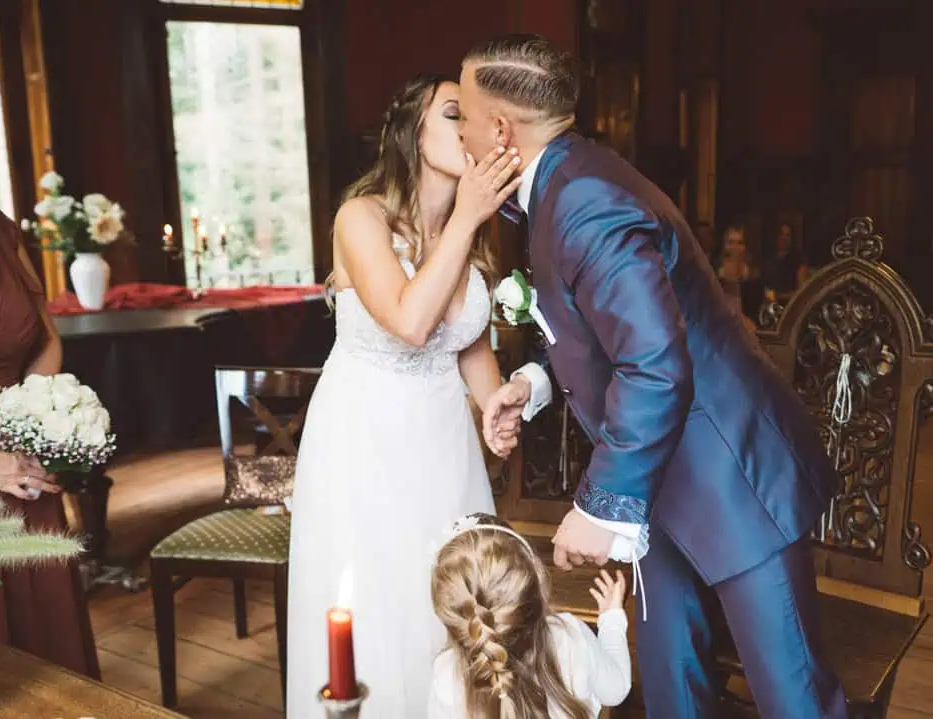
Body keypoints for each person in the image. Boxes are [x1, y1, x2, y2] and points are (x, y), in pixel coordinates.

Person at [462, 35, 848, 718]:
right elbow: (606, 330)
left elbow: (655, 364)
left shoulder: (582, 200)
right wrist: (535, 383)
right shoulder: (565, 182)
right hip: (661, 481)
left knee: (793, 700)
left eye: (462, 116)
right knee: (671, 682)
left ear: (499, 128)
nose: (461, 133)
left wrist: (599, 505)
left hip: (730, 475)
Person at [285, 75, 523, 718]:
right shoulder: (360, 218)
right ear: (413, 135)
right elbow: (411, 322)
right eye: (453, 113)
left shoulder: (473, 235)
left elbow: (466, 344)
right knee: (376, 605)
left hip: (445, 445)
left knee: (449, 601)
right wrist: (468, 216)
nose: (469, 127)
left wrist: (497, 407)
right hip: (363, 442)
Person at [0, 207, 100, 678]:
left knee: (46, 621)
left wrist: (32, 417)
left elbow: (47, 339)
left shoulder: (0, 231)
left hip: (20, 452)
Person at [428, 513, 631, 718]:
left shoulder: (446, 673)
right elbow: (616, 691)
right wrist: (612, 619)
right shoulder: (568, 636)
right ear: (537, 578)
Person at [762, 221, 808, 304]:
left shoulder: (798, 258)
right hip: (769, 305)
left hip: (789, 305)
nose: (783, 238)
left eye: (787, 235)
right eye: (781, 234)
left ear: (792, 239)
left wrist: (778, 296)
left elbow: (802, 291)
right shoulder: (769, 258)